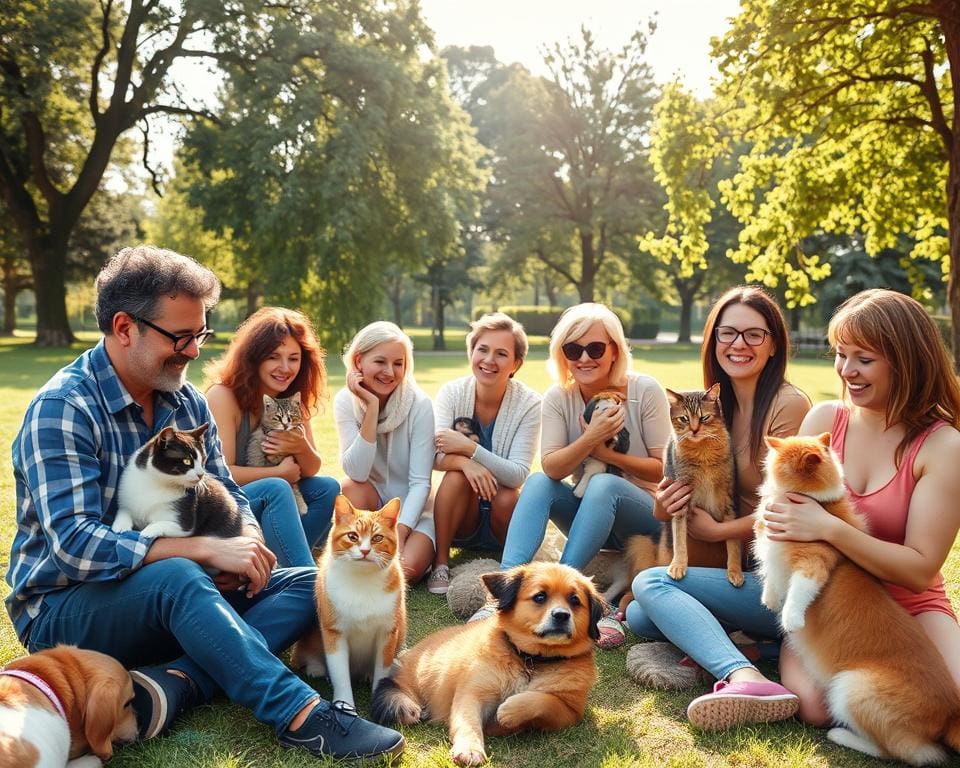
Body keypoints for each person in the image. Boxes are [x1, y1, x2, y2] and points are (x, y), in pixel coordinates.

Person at [4, 246, 403, 760]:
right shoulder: (64, 409)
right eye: (181, 336)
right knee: (180, 577)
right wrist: (202, 551)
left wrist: (249, 544)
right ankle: (301, 716)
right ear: (126, 327)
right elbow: (75, 547)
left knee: (315, 584)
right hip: (66, 609)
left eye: (201, 335)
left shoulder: (184, 400)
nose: (194, 351)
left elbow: (228, 490)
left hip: (167, 601)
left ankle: (173, 684)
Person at [765, 289, 960, 724]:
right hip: (830, 598)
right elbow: (782, 522)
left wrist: (830, 528)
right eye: (840, 354)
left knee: (951, 708)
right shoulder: (823, 423)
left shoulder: (943, 446)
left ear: (905, 361)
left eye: (864, 359)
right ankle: (758, 650)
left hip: (910, 603)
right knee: (817, 710)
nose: (847, 371)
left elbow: (919, 569)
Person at [624, 285, 811, 730]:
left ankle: (740, 673)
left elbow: (794, 508)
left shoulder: (789, 406)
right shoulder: (709, 403)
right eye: (728, 334)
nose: (738, 345)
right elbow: (672, 492)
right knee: (637, 612)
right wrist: (666, 505)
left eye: (753, 335)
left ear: (773, 343)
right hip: (723, 555)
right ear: (713, 341)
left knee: (651, 589)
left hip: (768, 566)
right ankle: (756, 646)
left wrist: (717, 532)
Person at [478, 303, 671, 648]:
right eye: (573, 349)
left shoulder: (645, 391)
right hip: (591, 517)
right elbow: (552, 466)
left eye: (595, 348)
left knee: (604, 483)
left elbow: (663, 468)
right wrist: (591, 437)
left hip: (646, 518)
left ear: (614, 351)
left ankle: (563, 595)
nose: (584, 358)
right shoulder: (558, 397)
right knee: (539, 482)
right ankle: (504, 592)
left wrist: (606, 454)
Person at [205, 307, 340, 568]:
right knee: (277, 488)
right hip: (229, 505)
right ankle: (305, 578)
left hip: (277, 497)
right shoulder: (223, 396)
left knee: (328, 488)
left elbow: (311, 469)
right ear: (254, 358)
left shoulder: (290, 400)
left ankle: (281, 566)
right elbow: (222, 475)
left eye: (294, 358)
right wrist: (279, 473)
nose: (285, 368)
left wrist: (301, 446)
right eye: (274, 357)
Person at [426, 312, 542, 595]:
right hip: (462, 517)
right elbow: (432, 455)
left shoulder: (530, 404)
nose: (489, 360)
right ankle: (441, 564)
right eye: (483, 350)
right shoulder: (452, 393)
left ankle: (508, 564)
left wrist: (469, 449)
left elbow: (517, 474)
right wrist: (467, 465)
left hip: (500, 513)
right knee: (455, 476)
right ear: (471, 353)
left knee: (509, 495)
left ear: (515, 364)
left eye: (501, 354)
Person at [333, 321, 435, 584]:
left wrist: (398, 533)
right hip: (370, 507)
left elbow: (420, 483)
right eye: (380, 362)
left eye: (398, 363)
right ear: (358, 361)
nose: (390, 372)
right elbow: (357, 471)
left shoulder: (420, 405)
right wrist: (372, 408)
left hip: (414, 514)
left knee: (404, 572)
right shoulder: (346, 400)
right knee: (349, 486)